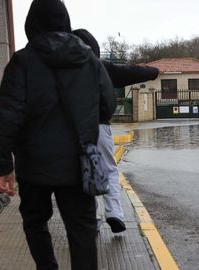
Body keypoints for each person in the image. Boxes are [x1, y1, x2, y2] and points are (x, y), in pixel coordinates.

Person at [0, 0, 115, 269]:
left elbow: (8, 116)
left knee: (34, 221)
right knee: (81, 229)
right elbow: (108, 106)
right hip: (78, 163)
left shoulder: (22, 62)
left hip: (33, 165)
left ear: (31, 25)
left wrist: (2, 166)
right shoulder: (89, 60)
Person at [72, 29, 159, 233]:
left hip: (73, 129)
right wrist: (153, 71)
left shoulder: (65, 71)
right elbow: (131, 71)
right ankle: (114, 213)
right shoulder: (103, 67)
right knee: (109, 168)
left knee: (83, 172)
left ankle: (91, 219)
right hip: (100, 127)